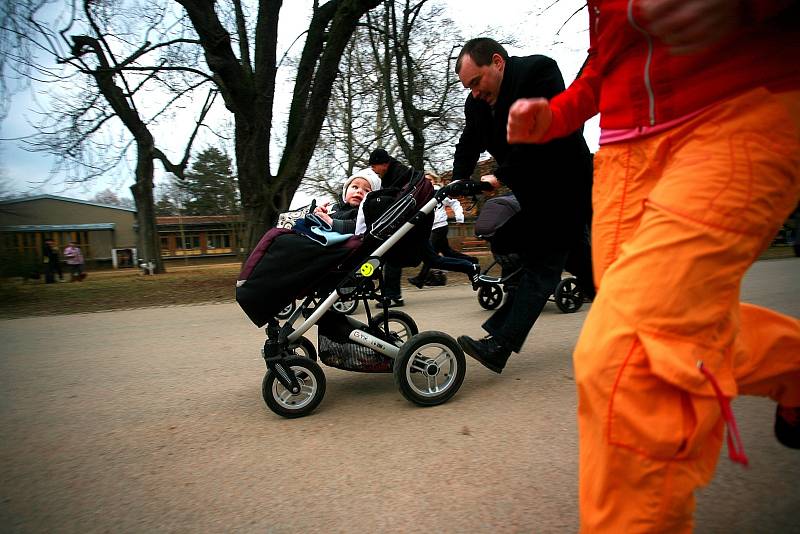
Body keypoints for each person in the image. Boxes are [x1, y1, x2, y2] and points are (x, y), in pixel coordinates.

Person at [506, 1, 800, 531]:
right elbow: (607, 62)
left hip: (736, 110)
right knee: (670, 335)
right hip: (624, 157)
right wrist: (558, 114)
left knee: (629, 358)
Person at [451, 38, 593, 373]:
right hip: (533, 193)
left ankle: (500, 344)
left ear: (497, 63)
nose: (473, 92)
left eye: (476, 81)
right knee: (578, 259)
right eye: (467, 87)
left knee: (544, 263)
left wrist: (498, 177)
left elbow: (541, 134)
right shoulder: (476, 105)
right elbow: (468, 142)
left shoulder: (537, 72)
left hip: (566, 182)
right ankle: (626, 319)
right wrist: (459, 180)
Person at [409, 175, 479, 289]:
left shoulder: (439, 191)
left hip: (439, 227)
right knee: (447, 252)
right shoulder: (422, 193)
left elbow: (454, 203)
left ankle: (420, 279)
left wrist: (459, 217)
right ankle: (472, 261)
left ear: (435, 181)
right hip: (431, 228)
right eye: (426, 180)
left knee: (431, 257)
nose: (428, 182)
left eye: (430, 180)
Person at [368, 148, 417, 307]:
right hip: (404, 222)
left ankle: (394, 296)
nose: (373, 170)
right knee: (434, 258)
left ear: (383, 164)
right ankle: (390, 294)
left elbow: (392, 198)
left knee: (393, 258)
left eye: (374, 166)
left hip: (407, 223)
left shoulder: (399, 174)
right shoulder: (393, 173)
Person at [313, 168, 381, 235]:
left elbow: (357, 226)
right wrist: (320, 214)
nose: (359, 191)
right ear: (345, 191)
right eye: (355, 187)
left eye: (367, 190)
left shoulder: (364, 214)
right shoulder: (335, 207)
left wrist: (331, 222)